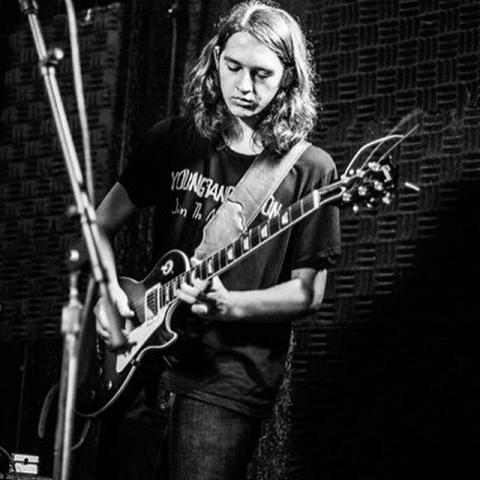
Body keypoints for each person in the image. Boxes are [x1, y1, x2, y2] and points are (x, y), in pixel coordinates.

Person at [91, 1, 341, 478]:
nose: (244, 86)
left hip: (227, 378)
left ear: (289, 77)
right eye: (233, 67)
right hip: (139, 363)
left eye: (262, 74)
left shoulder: (311, 170)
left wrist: (231, 306)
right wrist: (107, 294)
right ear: (215, 60)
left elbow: (308, 292)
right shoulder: (172, 139)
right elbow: (98, 226)